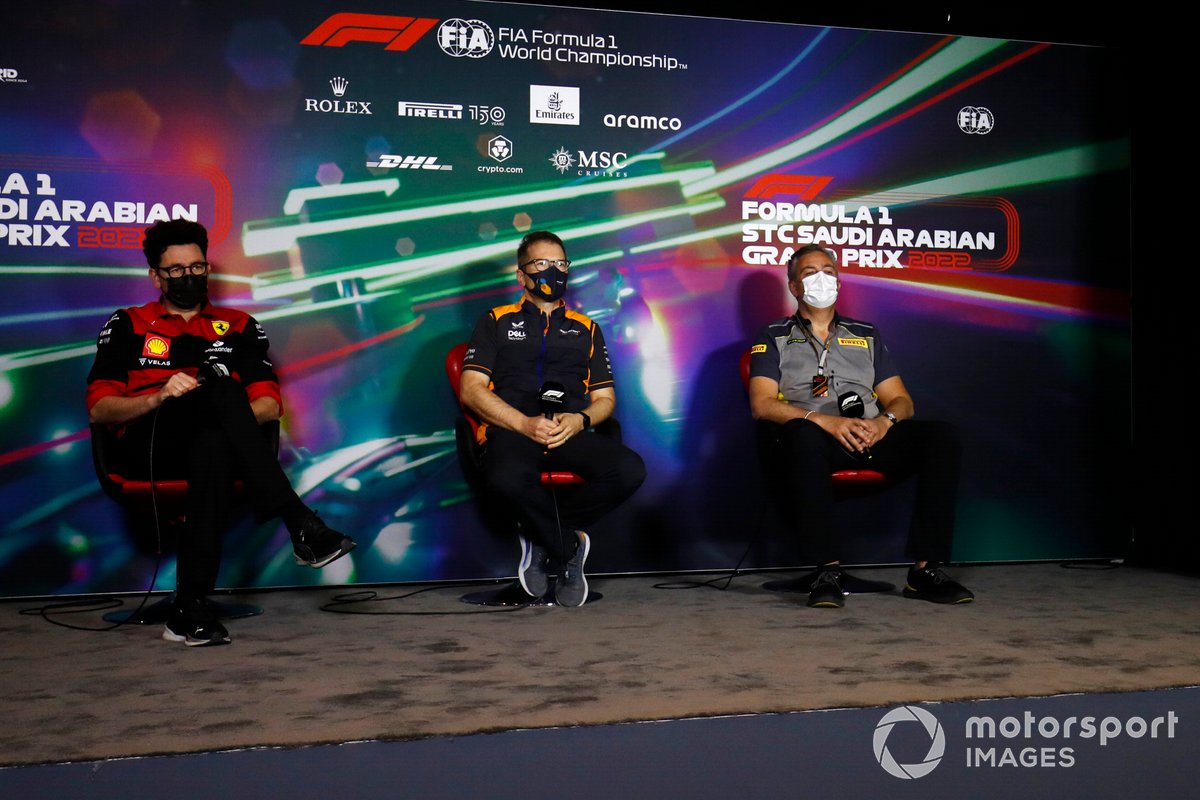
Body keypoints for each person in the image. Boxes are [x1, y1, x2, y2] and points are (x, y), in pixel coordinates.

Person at [86, 218, 356, 646]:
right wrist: (159, 397)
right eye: (175, 270)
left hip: (213, 445)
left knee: (213, 430)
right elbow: (101, 410)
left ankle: (188, 609)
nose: (188, 277)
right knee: (220, 396)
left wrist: (217, 411)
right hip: (149, 443)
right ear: (155, 276)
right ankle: (299, 522)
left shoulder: (239, 325)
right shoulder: (129, 324)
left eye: (196, 267)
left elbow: (269, 405)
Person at [747, 244, 973, 608]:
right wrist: (825, 421)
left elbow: (902, 401)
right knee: (803, 436)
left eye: (828, 270)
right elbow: (761, 405)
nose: (822, 278)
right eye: (809, 272)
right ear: (793, 286)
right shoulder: (772, 335)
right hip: (815, 441)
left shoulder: (866, 333)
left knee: (941, 437)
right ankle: (827, 570)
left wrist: (884, 423)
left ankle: (925, 571)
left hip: (870, 435)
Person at [459, 230, 646, 606]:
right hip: (514, 429)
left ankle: (542, 536)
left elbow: (605, 398)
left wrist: (580, 420)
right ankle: (566, 544)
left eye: (561, 264)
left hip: (568, 430)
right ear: (521, 274)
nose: (553, 272)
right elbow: (471, 389)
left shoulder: (586, 328)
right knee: (503, 477)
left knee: (629, 470)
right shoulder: (495, 320)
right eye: (542, 264)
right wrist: (523, 423)